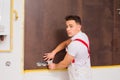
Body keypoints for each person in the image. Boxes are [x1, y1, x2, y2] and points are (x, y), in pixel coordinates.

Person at [43, 15, 91, 80]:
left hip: (78, 77)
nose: (67, 29)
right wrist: (53, 53)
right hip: (86, 74)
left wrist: (54, 66)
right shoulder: (83, 36)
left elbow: (64, 64)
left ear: (79, 27)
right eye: (67, 26)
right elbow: (65, 43)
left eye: (71, 26)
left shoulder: (74, 45)